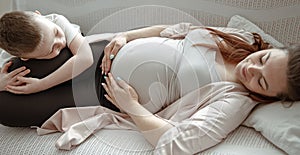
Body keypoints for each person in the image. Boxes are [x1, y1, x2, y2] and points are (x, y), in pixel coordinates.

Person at [35, 23, 300, 154]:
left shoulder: (235, 102)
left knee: (8, 109)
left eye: (261, 82)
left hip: (100, 92)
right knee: (17, 66)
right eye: (263, 60)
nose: (250, 69)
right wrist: (126, 36)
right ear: (272, 50)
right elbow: (174, 30)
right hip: (99, 53)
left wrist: (130, 106)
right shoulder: (241, 40)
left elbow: (174, 143)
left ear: (270, 97)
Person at [0, 11, 93, 94]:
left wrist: (42, 84)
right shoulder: (6, 58)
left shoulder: (57, 21)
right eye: (52, 49)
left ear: (39, 15)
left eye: (56, 32)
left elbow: (86, 57)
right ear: (25, 57)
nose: (61, 41)